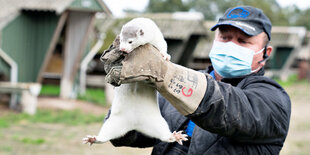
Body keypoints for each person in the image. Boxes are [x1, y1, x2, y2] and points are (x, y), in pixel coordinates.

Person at [101, 6, 291, 155]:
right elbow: (133, 133)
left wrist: (164, 73)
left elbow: (225, 107)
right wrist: (129, 91)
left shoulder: (273, 99)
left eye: (243, 41)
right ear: (214, 40)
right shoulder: (177, 85)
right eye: (225, 37)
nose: (231, 45)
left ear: (266, 53)